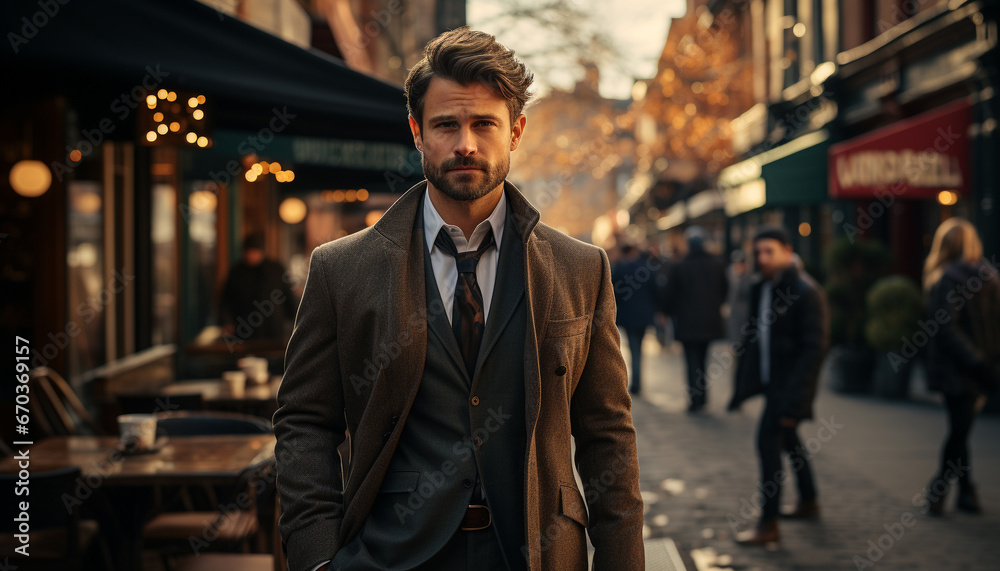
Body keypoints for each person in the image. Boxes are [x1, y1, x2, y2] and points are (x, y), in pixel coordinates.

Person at [272, 27, 644, 571]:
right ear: (417, 132)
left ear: (515, 131)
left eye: (483, 124)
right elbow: (304, 420)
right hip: (389, 555)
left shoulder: (581, 269)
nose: (465, 143)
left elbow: (608, 436)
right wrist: (317, 558)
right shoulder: (342, 268)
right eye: (446, 124)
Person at [729, 226, 828, 545]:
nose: (762, 258)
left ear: (787, 250)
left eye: (769, 251)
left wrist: (795, 402)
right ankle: (809, 500)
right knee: (790, 442)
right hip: (772, 383)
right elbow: (755, 335)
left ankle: (768, 524)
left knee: (767, 445)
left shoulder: (806, 291)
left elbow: (814, 350)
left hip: (788, 389)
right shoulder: (763, 286)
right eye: (758, 252)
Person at [922, 217, 1000, 516]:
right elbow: (948, 328)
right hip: (973, 368)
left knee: (959, 429)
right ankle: (962, 492)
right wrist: (982, 362)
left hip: (962, 368)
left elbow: (945, 328)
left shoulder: (948, 278)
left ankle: (946, 487)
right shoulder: (989, 277)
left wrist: (978, 362)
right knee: (960, 427)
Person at [664, 226, 729, 412]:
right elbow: (724, 290)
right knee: (703, 359)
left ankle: (695, 398)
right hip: (709, 321)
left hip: (687, 323)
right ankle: (702, 396)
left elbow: (670, 294)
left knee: (692, 360)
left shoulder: (680, 266)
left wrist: (667, 311)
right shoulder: (717, 264)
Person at [219, 232, 295, 342]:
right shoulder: (237, 272)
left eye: (254, 252)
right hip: (243, 328)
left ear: (262, 252)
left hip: (272, 329)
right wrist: (227, 322)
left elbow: (287, 295)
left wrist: (294, 321)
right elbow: (226, 300)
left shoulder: (276, 269)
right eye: (248, 252)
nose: (251, 255)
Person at [612, 242, 659, 395]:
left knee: (633, 349)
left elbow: (614, 293)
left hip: (627, 316)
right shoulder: (646, 268)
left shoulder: (620, 268)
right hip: (644, 315)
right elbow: (655, 291)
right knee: (638, 349)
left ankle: (636, 382)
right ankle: (638, 381)